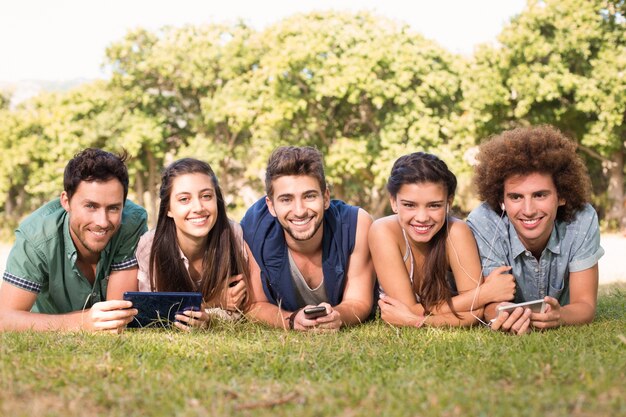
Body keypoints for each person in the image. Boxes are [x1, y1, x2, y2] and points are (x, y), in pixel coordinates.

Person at [467, 125, 604, 335]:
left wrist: (561, 316)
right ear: (501, 199)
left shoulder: (582, 219)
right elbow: (490, 306)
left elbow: (584, 305)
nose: (528, 210)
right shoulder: (485, 221)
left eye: (540, 195)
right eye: (515, 197)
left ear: (562, 196)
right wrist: (503, 314)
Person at [0, 148, 147, 332]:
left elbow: (116, 315)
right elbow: (5, 318)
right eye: (90, 206)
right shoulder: (35, 236)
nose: (102, 222)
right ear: (66, 201)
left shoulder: (131, 223)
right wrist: (81, 322)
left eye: (113, 208)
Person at [369, 152, 516, 328]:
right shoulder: (383, 231)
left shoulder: (456, 231)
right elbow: (409, 308)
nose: (422, 217)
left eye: (434, 205)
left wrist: (414, 321)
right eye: (409, 205)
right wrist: (483, 294)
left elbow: (474, 313)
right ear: (394, 202)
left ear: (449, 202)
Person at [240, 146, 375, 331]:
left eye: (309, 196)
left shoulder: (356, 224)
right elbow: (254, 304)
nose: (300, 211)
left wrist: (338, 316)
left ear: (326, 197)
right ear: (271, 206)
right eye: (286, 199)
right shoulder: (253, 227)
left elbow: (359, 300)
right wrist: (291, 319)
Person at [134, 158, 249, 330]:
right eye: (184, 199)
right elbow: (150, 315)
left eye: (206, 196)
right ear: (168, 209)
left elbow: (245, 310)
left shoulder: (233, 235)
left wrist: (210, 317)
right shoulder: (150, 246)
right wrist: (213, 303)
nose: (198, 207)